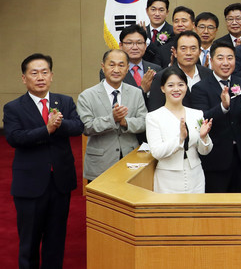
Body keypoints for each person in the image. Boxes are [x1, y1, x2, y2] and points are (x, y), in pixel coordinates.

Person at [4, 53, 84, 269]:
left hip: (60, 183)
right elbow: (14, 138)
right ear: (24, 78)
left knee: (56, 240)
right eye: (34, 73)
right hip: (30, 185)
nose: (40, 77)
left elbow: (78, 127)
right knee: (29, 242)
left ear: (51, 75)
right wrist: (46, 130)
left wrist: (59, 124)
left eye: (44, 72)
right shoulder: (13, 107)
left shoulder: (64, 101)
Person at [189, 40, 241, 193]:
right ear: (211, 61)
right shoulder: (200, 88)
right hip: (216, 160)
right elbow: (201, 119)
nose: (225, 63)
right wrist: (223, 107)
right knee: (216, 204)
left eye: (230, 58)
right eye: (220, 58)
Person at [79, 49, 147, 182]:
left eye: (121, 65)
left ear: (127, 68)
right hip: (100, 163)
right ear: (103, 66)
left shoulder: (136, 93)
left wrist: (125, 122)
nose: (116, 70)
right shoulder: (87, 95)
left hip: (130, 160)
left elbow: (144, 122)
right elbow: (86, 127)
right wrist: (112, 119)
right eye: (111, 65)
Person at [145, 66, 213, 193]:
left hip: (195, 176)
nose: (176, 89)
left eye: (181, 85)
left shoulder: (197, 114)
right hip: (168, 179)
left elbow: (205, 151)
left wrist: (204, 137)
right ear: (163, 88)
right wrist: (180, 139)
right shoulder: (153, 117)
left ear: (186, 87)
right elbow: (157, 152)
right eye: (170, 85)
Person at [147, 30, 214, 111]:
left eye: (193, 49)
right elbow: (155, 109)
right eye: (183, 49)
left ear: (199, 52)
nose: (188, 53)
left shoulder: (209, 74)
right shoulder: (161, 77)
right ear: (175, 52)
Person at [102, 24, 161, 99]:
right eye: (129, 43)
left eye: (139, 43)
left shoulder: (156, 69)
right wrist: (142, 89)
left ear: (145, 46)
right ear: (121, 46)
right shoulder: (110, 70)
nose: (135, 47)